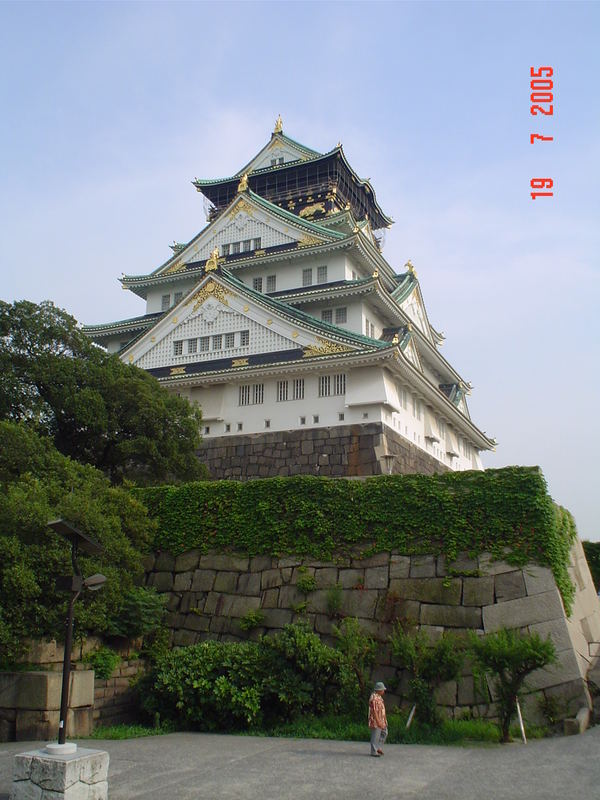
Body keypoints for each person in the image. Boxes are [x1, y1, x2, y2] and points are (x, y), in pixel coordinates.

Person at [368, 681, 388, 757]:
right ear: (379, 690)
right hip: (376, 720)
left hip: (381, 719)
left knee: (384, 732)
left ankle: (378, 747)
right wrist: (378, 721)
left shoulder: (379, 697)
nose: (384, 691)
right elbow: (375, 711)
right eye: (382, 690)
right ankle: (374, 751)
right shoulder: (374, 698)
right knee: (375, 735)